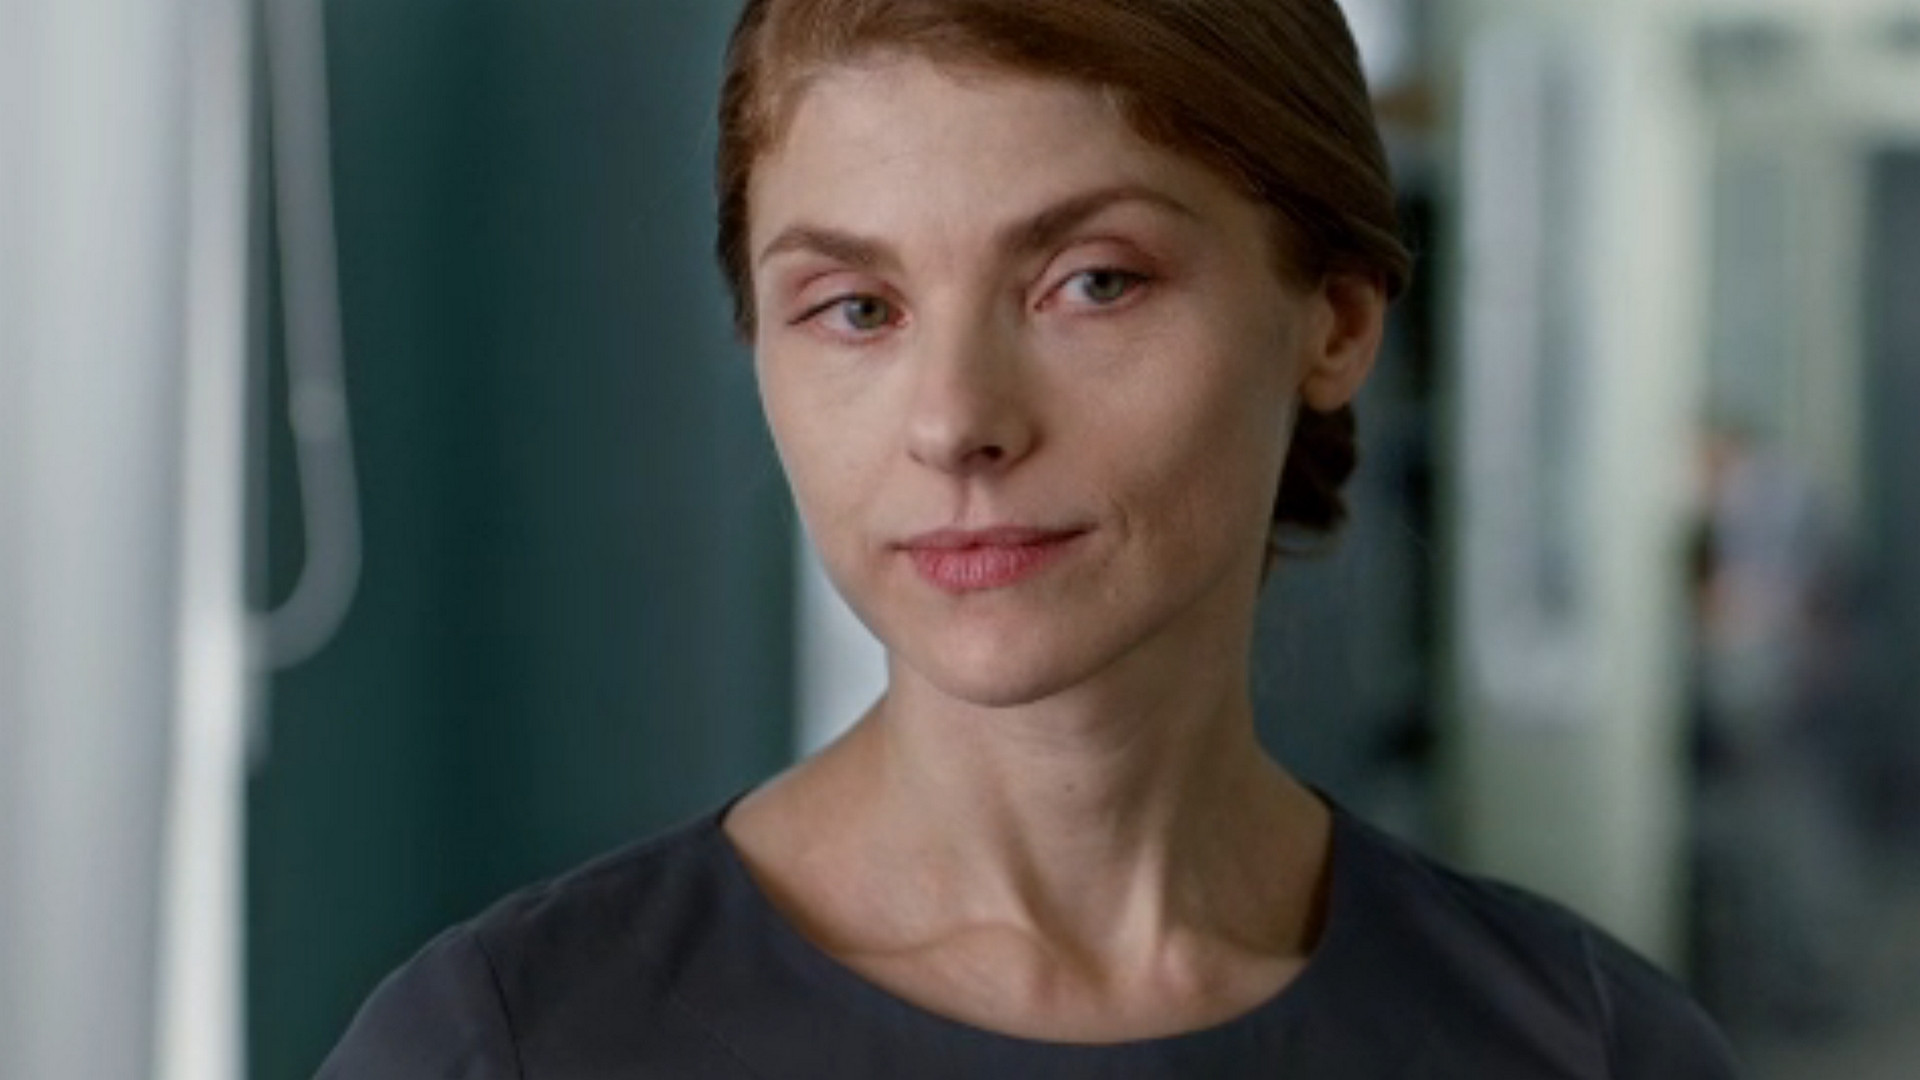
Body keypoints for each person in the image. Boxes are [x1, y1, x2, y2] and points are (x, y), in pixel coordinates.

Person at [319, 0, 1741, 1075]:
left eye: (1092, 282)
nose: (957, 422)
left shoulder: (1589, 1046)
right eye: (857, 310)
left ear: (1337, 320)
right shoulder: (507, 1047)